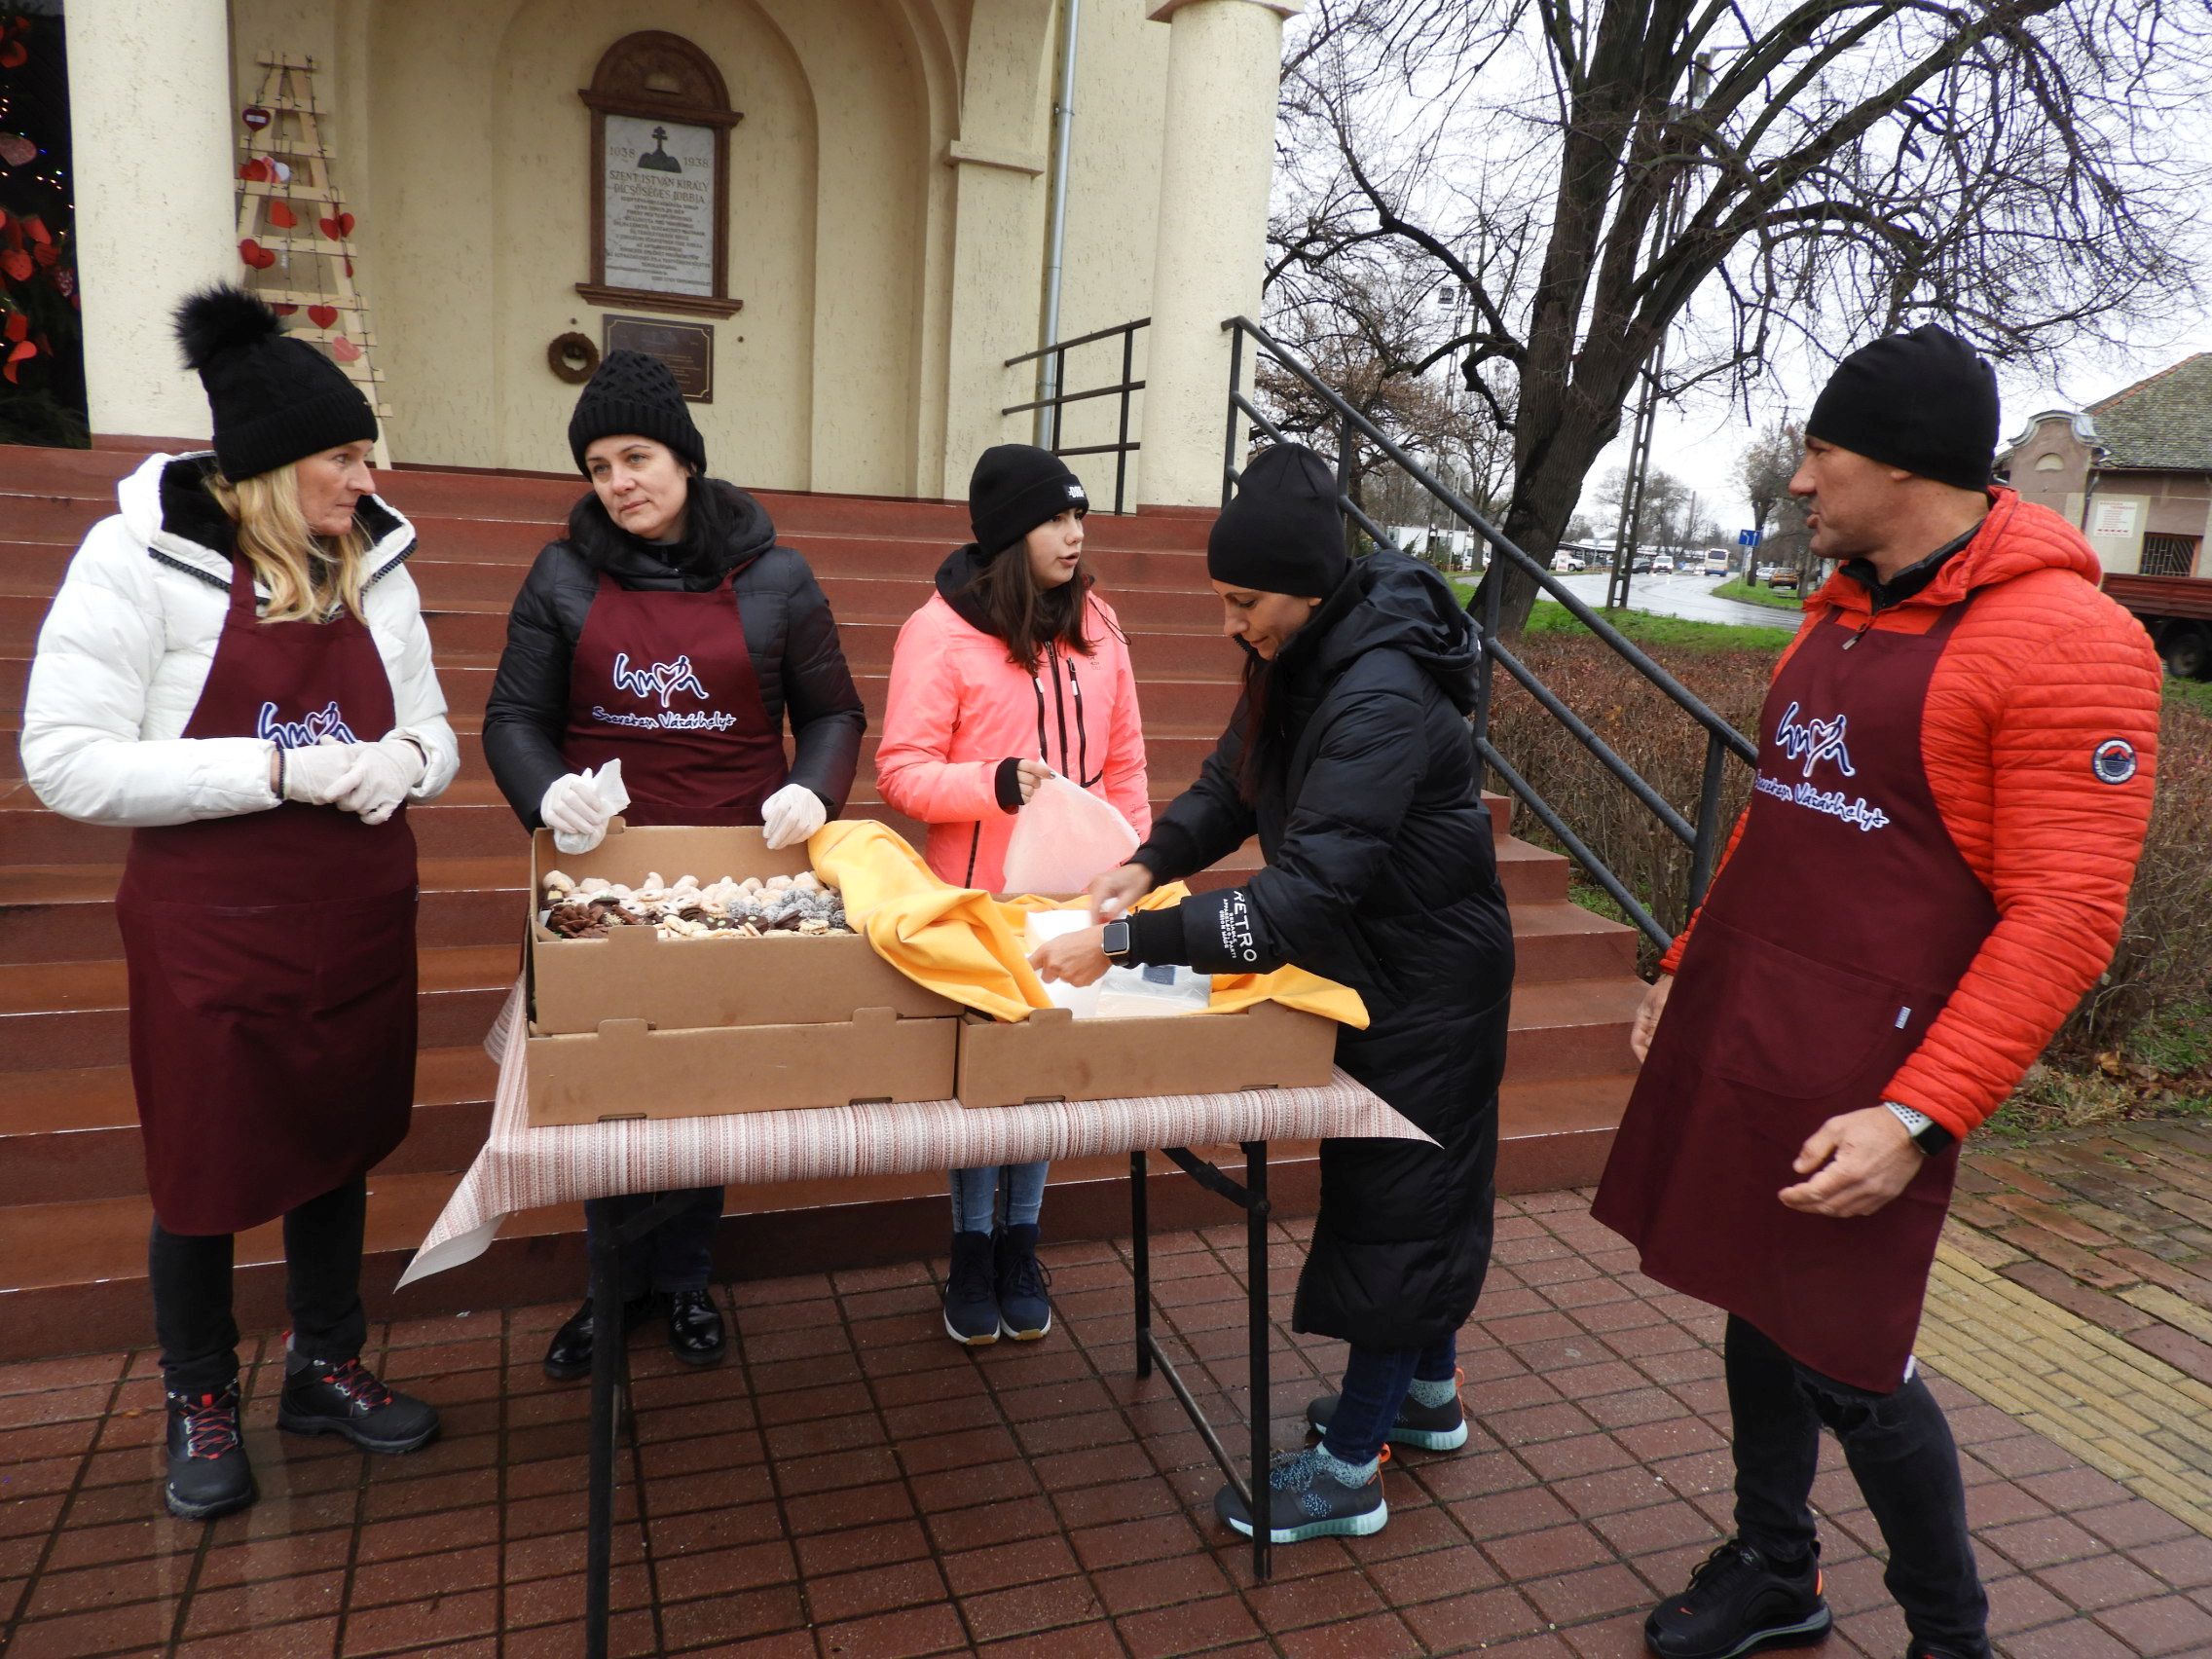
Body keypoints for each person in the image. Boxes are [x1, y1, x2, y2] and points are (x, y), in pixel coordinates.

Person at [1591, 325, 2161, 1659]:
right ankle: (1778, 1568)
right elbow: (1775, 819)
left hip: (1883, 1061)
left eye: (1821, 452)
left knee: (1851, 1357)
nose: (1799, 483)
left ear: (1901, 466)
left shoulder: (2067, 641)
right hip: (1761, 1019)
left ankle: (1949, 1638)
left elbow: (2067, 916)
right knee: (1754, 1291)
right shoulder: (1842, 606)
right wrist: (1683, 969)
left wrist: (1916, 1117)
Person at [21, 286, 458, 1521]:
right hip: (211, 925)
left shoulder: (376, 559)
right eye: (342, 455)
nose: (364, 476)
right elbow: (64, 760)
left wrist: (404, 765)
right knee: (203, 1167)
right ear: (269, 466)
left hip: (358, 911)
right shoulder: (138, 561)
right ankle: (199, 1395)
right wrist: (269, 767)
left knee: (335, 1141)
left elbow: (432, 730)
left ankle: (324, 1366)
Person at [1031, 442, 1515, 1542]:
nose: (1228, 623)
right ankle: (1426, 1403)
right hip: (1381, 971)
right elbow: (1228, 788)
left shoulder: (1379, 695)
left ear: (1303, 586)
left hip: (1429, 983)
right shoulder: (1299, 656)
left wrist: (1127, 945)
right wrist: (1149, 862)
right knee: (1408, 1205)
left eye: (1241, 601)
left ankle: (1351, 1470)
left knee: (1400, 1215)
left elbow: (1298, 900)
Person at [482, 350, 866, 1381]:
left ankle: (686, 1278)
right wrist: (543, 791)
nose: (620, 482)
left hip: (738, 874)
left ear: (686, 459)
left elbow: (832, 711)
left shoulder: (775, 575)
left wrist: (813, 790)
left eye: (638, 456)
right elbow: (514, 717)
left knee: (705, 1079)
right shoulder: (561, 574)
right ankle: (612, 1287)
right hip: (599, 874)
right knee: (610, 1081)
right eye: (600, 465)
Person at [876, 444, 1151, 1346]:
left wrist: (1135, 867)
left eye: (1080, 518)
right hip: (978, 903)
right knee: (989, 1081)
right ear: (1007, 535)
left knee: (1041, 1079)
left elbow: (1125, 767)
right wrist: (992, 783)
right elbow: (902, 774)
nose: (1075, 536)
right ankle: (971, 1244)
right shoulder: (939, 632)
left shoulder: (1100, 626)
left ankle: (1021, 1239)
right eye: (1054, 520)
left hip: (1075, 900)